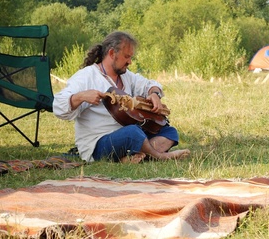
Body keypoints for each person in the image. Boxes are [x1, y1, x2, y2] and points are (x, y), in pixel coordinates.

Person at [53, 31, 191, 163]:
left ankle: (133, 156)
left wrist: (154, 93)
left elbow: (149, 84)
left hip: (129, 137)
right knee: (133, 133)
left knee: (170, 132)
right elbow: (58, 106)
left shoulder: (126, 76)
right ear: (112, 53)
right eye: (127, 56)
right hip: (99, 144)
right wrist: (81, 96)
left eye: (131, 57)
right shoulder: (86, 76)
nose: (130, 61)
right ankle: (158, 156)